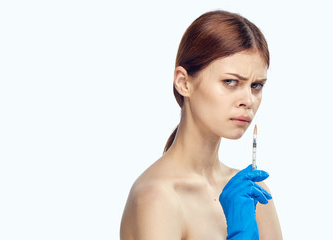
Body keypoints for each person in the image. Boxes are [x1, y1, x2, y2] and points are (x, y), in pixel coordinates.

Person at [120, 10, 282, 240]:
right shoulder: (157, 197)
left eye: (256, 85)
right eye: (230, 82)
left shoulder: (253, 193)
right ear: (184, 83)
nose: (248, 100)